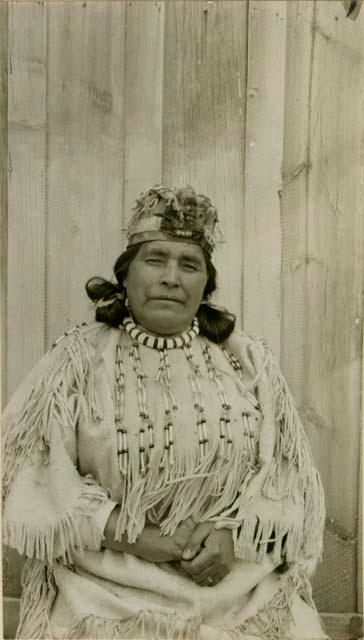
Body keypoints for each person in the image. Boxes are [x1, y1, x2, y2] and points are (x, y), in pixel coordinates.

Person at [3, 184, 327, 639]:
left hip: (238, 587)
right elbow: (33, 479)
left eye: (189, 264)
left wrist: (234, 537)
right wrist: (142, 539)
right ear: (127, 275)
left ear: (205, 284)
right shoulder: (75, 361)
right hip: (105, 590)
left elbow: (288, 480)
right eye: (155, 260)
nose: (171, 277)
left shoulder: (246, 361)